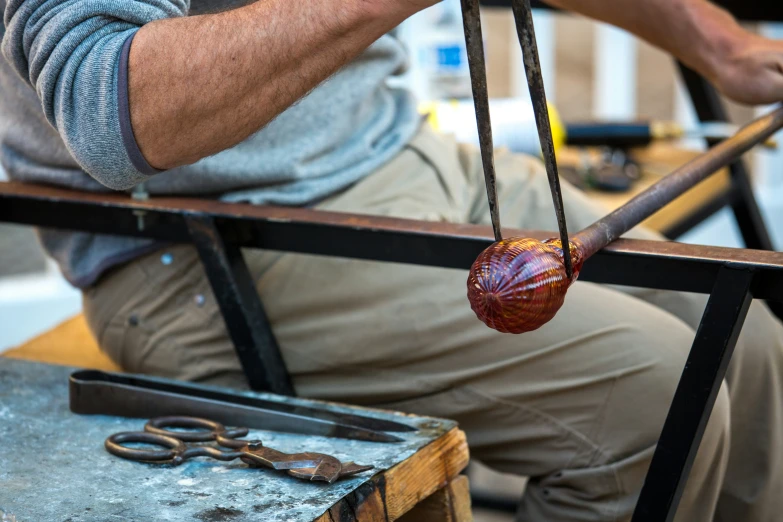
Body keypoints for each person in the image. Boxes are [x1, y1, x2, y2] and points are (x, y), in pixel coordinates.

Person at [2, 0, 783, 520]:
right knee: (656, 400)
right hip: (201, 250)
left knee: (745, 340)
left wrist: (717, 44)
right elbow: (107, 110)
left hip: (405, 154)